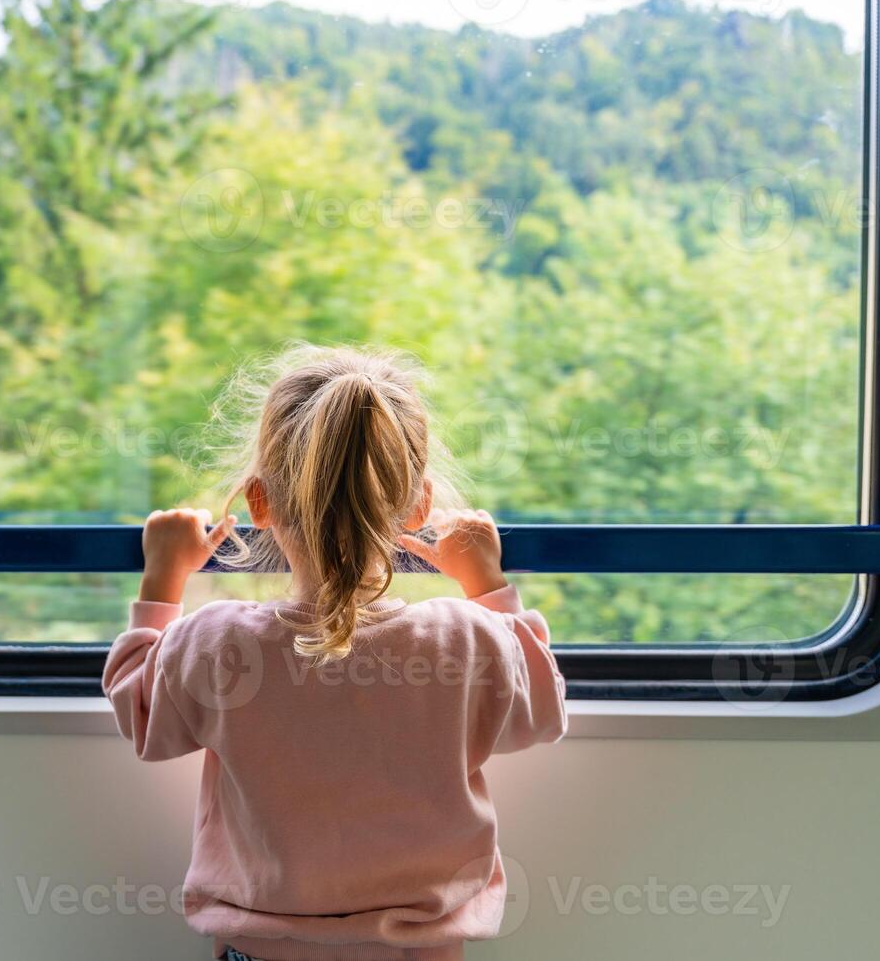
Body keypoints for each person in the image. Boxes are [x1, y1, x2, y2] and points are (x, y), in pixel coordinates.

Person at [104, 346, 567, 960]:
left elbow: (142, 719)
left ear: (259, 503)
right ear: (420, 506)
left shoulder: (217, 643)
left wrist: (162, 578)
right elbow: (542, 708)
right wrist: (487, 582)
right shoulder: (466, 639)